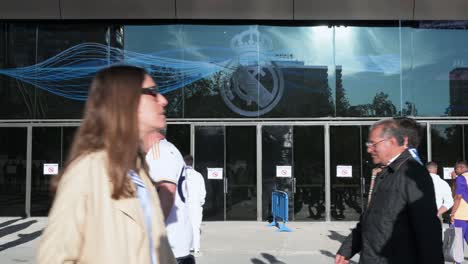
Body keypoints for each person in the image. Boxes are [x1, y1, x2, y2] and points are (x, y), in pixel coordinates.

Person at [37, 65, 176, 264]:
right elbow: (54, 258)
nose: (163, 100)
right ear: (125, 101)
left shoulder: (139, 173)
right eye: (152, 92)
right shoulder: (87, 172)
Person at [335, 118, 443, 264]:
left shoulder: (414, 175)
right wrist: (349, 247)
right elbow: (371, 218)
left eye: (373, 144)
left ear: (392, 141)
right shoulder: (387, 173)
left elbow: (428, 232)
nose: (369, 149)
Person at [143, 131, 194, 263]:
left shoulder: (159, 151)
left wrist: (149, 234)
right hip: (177, 246)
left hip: (169, 246)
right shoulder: (168, 149)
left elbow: (167, 193)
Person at [184, 155, 206, 255]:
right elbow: (203, 192)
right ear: (192, 163)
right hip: (196, 205)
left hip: (184, 205)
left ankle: (185, 248)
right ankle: (196, 248)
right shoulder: (199, 175)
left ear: (184, 162)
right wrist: (201, 202)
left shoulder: (181, 176)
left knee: (184, 226)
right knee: (196, 227)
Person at [450, 160, 468, 264]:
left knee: (458, 241)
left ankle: (458, 262)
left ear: (461, 168)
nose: (455, 171)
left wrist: (453, 213)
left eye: (455, 168)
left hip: (461, 214)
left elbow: (458, 196)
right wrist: (454, 180)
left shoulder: (461, 178)